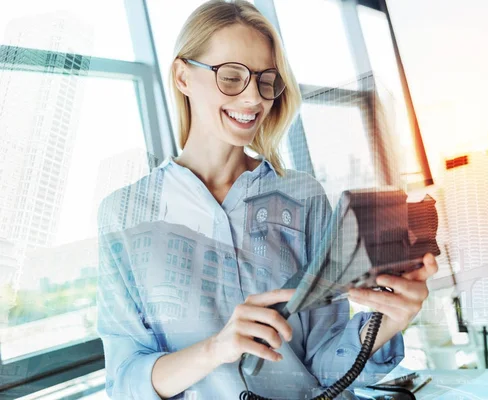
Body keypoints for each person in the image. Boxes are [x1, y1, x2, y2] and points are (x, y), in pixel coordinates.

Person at [95, 1, 438, 399]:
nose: (253, 98)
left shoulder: (302, 197)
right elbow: (124, 382)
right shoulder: (125, 214)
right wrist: (216, 348)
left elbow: (325, 364)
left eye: (265, 80)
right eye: (232, 76)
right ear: (182, 76)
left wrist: (387, 322)